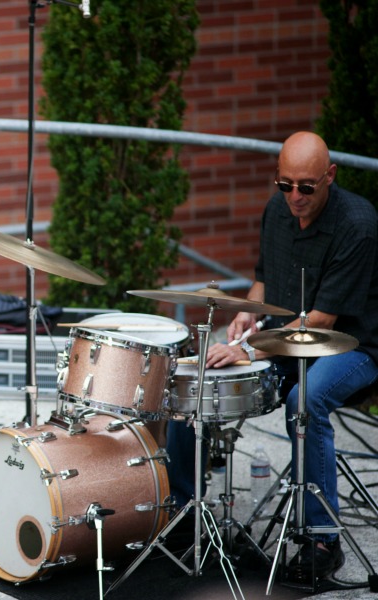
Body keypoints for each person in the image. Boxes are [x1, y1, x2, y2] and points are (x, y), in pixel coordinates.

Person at [203, 131, 378, 583]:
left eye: (306, 187)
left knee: (305, 400)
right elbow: (264, 280)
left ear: (330, 176)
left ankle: (323, 539)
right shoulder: (275, 210)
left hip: (357, 344)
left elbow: (320, 321)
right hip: (284, 336)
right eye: (285, 185)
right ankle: (189, 514)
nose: (294, 197)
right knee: (204, 379)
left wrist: (245, 344)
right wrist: (246, 311)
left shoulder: (358, 223)